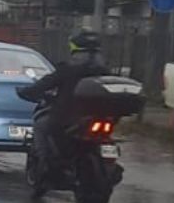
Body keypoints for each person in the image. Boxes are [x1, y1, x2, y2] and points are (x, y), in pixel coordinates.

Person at [19, 30, 110, 178]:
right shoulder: (104, 69)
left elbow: (45, 84)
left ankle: (45, 165)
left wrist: (26, 92)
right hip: (100, 115)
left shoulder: (69, 68)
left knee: (41, 126)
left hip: (69, 115)